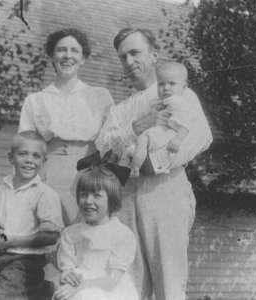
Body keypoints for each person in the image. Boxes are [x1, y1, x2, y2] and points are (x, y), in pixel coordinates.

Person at [95, 28, 213, 300]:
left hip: (164, 189)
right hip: (124, 195)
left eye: (135, 52)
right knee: (126, 282)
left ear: (154, 55)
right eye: (123, 56)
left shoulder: (179, 94)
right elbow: (104, 149)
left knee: (169, 281)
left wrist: (152, 161)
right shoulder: (119, 109)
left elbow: (199, 137)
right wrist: (137, 126)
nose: (129, 61)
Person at [19, 28, 114, 227]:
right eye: (61, 50)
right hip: (48, 175)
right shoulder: (35, 100)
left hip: (91, 175)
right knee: (50, 237)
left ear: (83, 58)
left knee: (88, 239)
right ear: (52, 56)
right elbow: (25, 150)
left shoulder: (100, 96)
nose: (68, 56)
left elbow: (111, 143)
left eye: (74, 51)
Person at [0, 131, 64, 300]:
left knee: (1, 297)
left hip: (25, 261)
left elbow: (51, 235)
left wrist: (10, 241)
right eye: (23, 154)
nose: (29, 160)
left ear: (44, 161)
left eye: (36, 156)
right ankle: (42, 292)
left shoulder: (44, 194)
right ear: (11, 157)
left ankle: (41, 288)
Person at [53, 162, 139, 300]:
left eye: (96, 196)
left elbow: (113, 280)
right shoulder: (70, 233)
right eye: (83, 195)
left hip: (108, 290)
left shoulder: (122, 234)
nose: (88, 201)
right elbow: (66, 267)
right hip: (77, 284)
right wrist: (67, 275)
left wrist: (80, 287)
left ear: (111, 200)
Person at [125, 61, 194, 177]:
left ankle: (134, 168)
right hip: (160, 134)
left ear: (184, 87)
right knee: (135, 146)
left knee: (142, 139)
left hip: (167, 135)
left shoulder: (179, 102)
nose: (166, 88)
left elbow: (186, 125)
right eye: (161, 84)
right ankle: (134, 166)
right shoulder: (160, 101)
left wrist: (178, 140)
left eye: (172, 84)